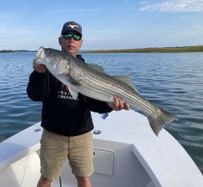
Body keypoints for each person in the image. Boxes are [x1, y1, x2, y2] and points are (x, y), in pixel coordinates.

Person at [27, 21, 130, 187]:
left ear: (81, 42)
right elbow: (35, 95)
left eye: (76, 37)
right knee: (46, 178)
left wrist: (109, 105)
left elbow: (93, 103)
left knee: (84, 178)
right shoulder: (47, 69)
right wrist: (38, 74)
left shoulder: (87, 69)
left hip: (81, 134)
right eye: (67, 36)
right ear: (60, 40)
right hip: (53, 134)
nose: (71, 40)